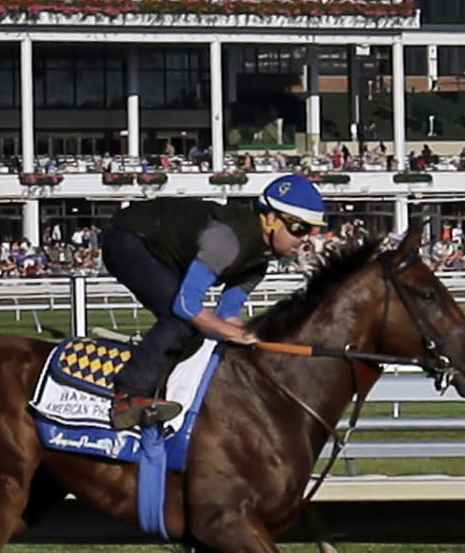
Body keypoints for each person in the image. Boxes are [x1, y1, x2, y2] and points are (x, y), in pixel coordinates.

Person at [100, 173, 326, 429]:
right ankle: (128, 395)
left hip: (167, 252)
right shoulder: (226, 239)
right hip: (128, 238)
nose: (306, 237)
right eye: (300, 228)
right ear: (271, 219)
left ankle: (166, 388)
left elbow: (228, 315)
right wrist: (231, 332)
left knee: (202, 329)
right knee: (181, 321)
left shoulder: (259, 264)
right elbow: (186, 305)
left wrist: (258, 338)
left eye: (313, 231)